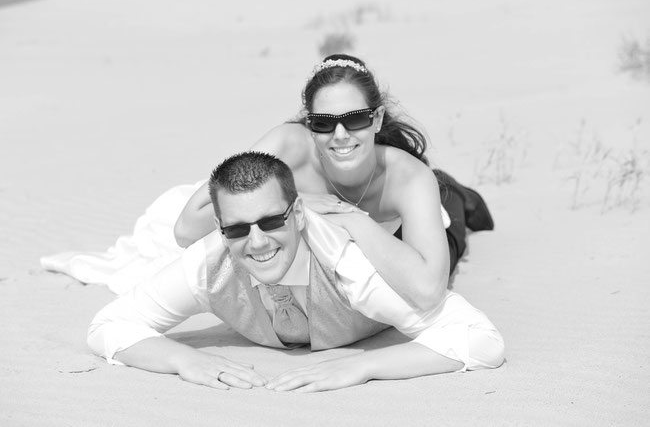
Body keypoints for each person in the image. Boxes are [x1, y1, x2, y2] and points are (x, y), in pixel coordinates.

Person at [88, 152, 504, 392]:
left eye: (272, 221)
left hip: (393, 246)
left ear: (299, 214)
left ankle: (454, 192)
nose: (258, 243)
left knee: (450, 231)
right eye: (236, 228)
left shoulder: (349, 268)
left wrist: (364, 366)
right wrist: (180, 359)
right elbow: (108, 325)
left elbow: (482, 341)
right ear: (219, 229)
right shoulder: (209, 262)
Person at [174, 54, 493, 311]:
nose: (340, 135)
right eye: (324, 123)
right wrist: (298, 203)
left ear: (377, 119)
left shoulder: (409, 178)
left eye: (355, 119)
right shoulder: (288, 147)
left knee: (451, 217)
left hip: (405, 233)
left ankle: (460, 194)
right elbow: (186, 229)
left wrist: (353, 221)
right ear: (309, 125)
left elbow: (427, 292)